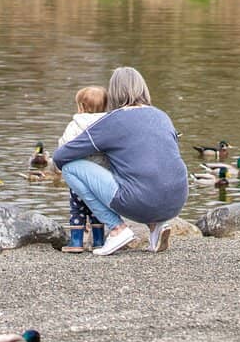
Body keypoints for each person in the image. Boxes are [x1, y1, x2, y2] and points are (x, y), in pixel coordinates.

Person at [53, 67, 188, 256]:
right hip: (177, 198)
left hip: (139, 201)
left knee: (70, 168)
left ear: (114, 92)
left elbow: (61, 156)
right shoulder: (162, 116)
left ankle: (117, 229)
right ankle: (156, 225)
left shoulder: (113, 121)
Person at [59, 86, 109, 253]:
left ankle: (76, 242)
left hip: (79, 178)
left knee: (77, 209)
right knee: (98, 209)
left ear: (81, 106)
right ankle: (99, 241)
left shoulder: (75, 125)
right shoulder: (108, 125)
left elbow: (64, 145)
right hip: (101, 177)